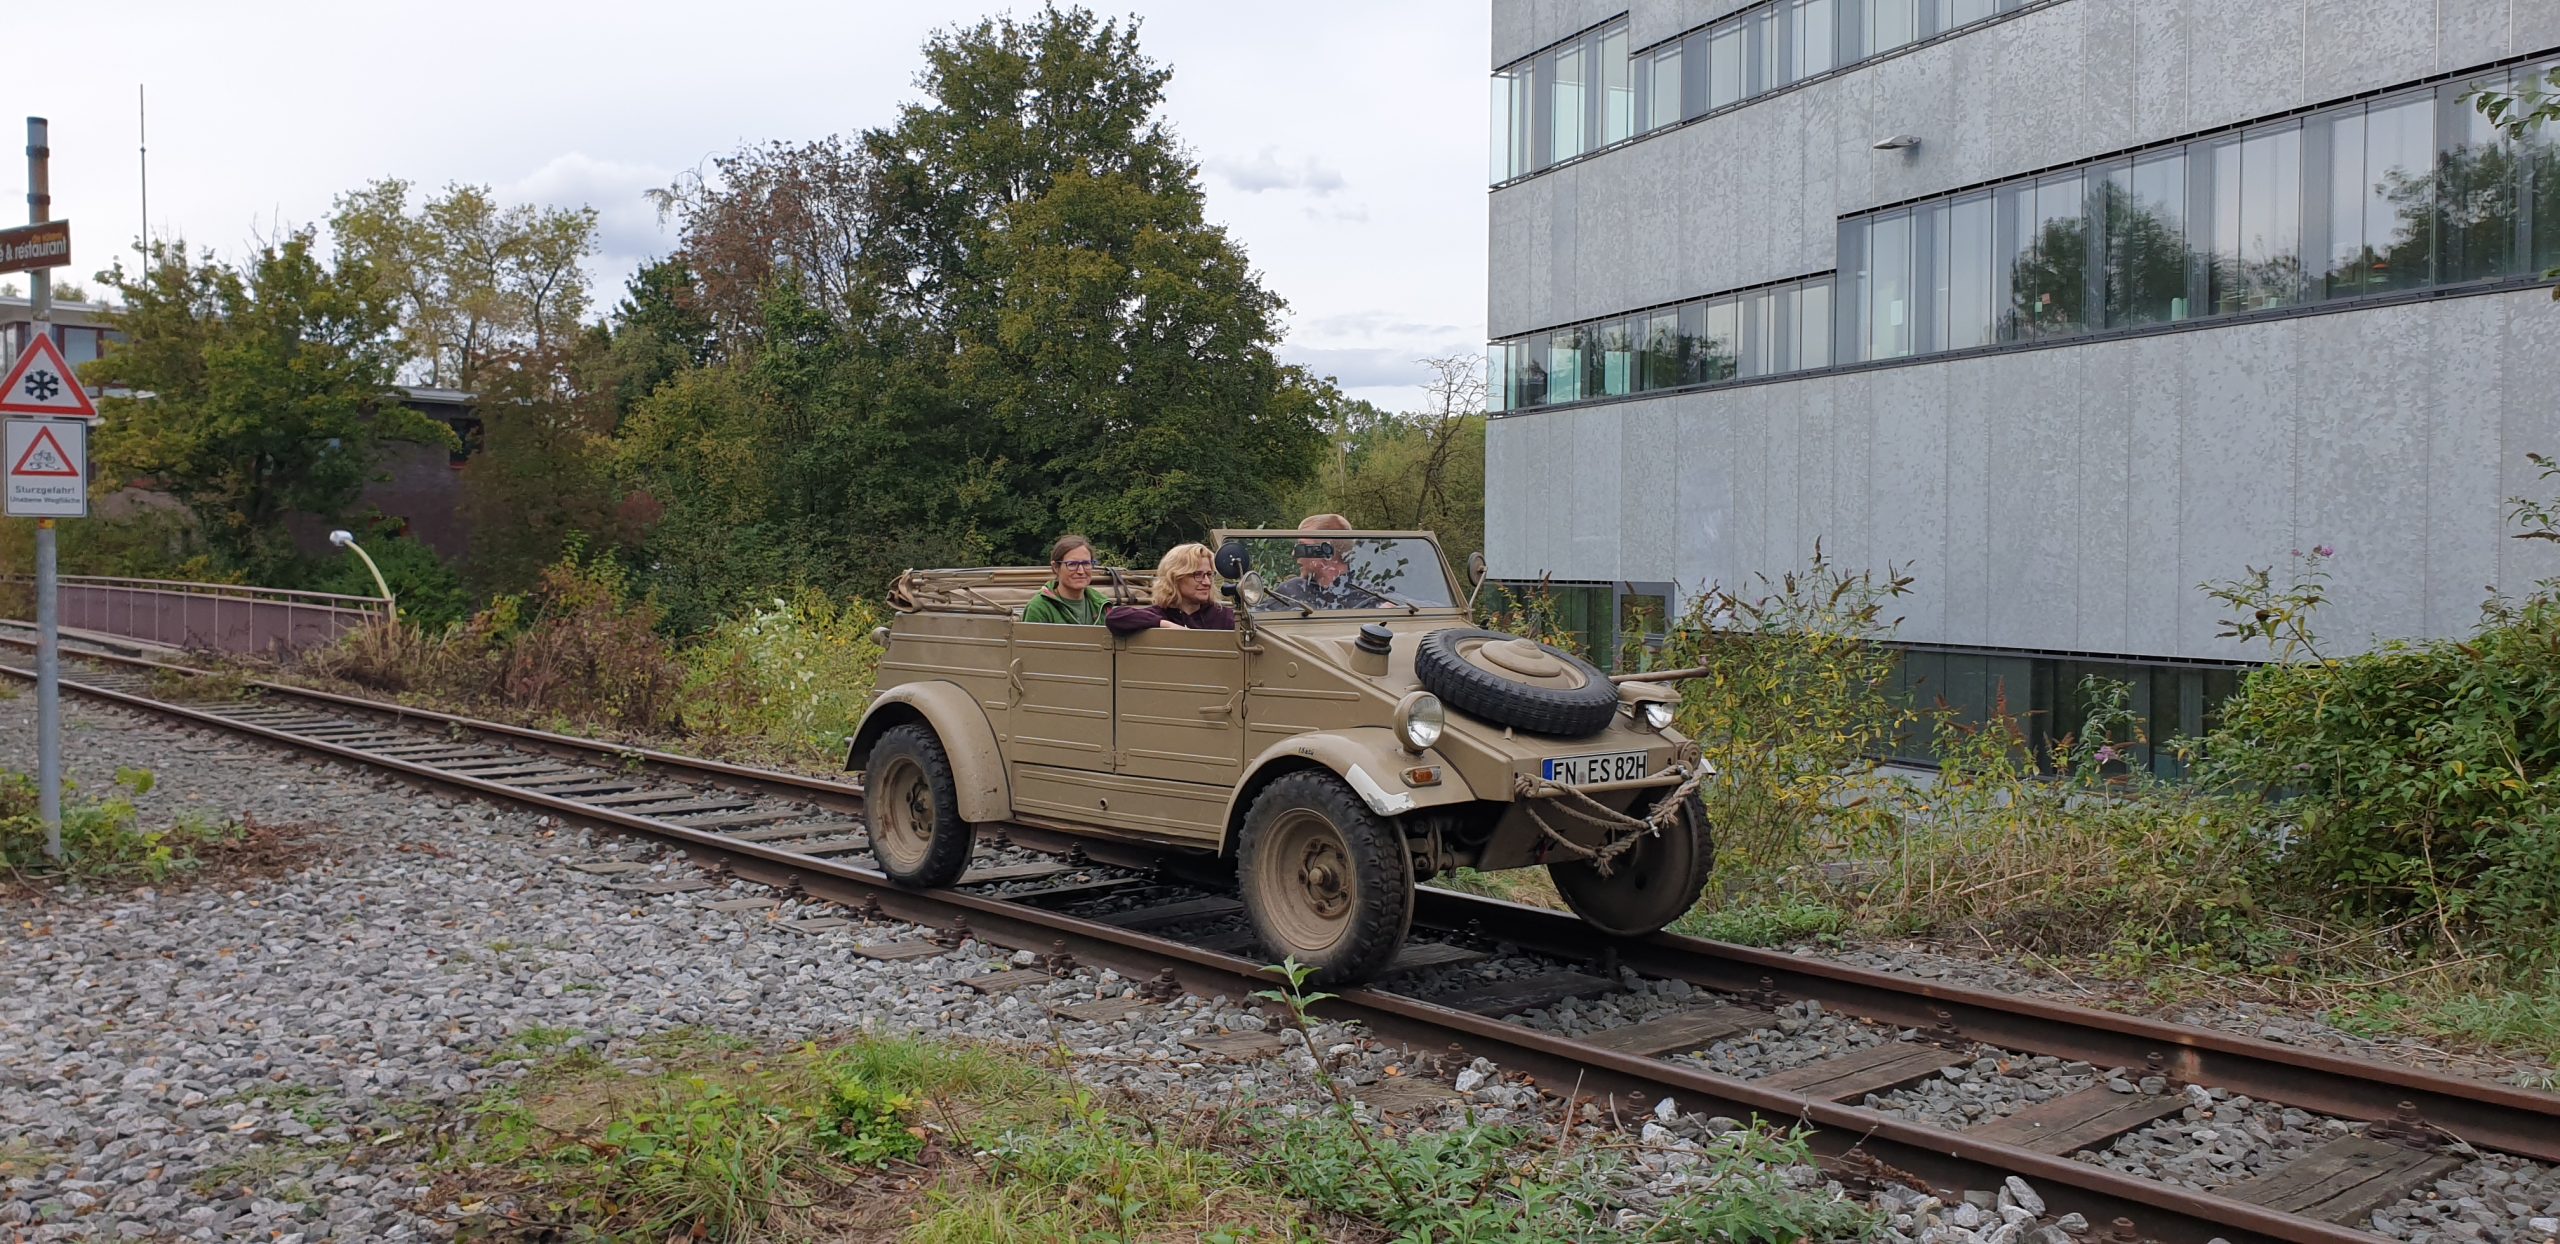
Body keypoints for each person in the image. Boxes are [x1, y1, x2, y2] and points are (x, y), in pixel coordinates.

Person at [1265, 512, 1389, 611]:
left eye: (1302, 546)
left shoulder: (1372, 598)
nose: (1294, 553)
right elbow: (1257, 618)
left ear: (1326, 550)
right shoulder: (1291, 590)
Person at [1106, 542, 1236, 632]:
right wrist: (1166, 625)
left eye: (1209, 574)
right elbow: (1115, 617)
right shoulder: (1160, 614)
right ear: (1175, 578)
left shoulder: (1223, 617)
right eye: (1197, 575)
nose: (1207, 582)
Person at [1021, 534, 1110, 625]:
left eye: (1086, 563)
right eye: (1072, 564)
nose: (1081, 571)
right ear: (1056, 567)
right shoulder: (1039, 608)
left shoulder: (1102, 605)